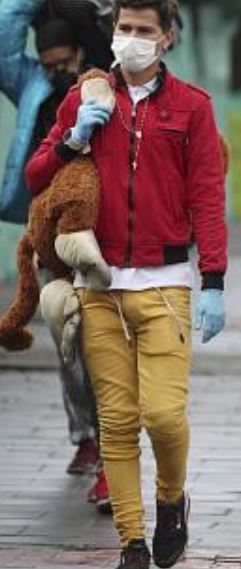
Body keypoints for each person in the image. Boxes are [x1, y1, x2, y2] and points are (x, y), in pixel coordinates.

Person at [24, 0, 228, 567]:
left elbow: (208, 196)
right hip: (99, 281)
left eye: (143, 30)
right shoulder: (84, 98)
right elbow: (37, 175)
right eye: (123, 28)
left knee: (163, 416)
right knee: (115, 422)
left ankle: (170, 500)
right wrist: (72, 139)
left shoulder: (192, 107)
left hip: (165, 282)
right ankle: (132, 542)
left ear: (165, 39)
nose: (130, 39)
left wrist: (213, 277)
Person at [0, 0, 113, 511]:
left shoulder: (102, 83)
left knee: (105, 345)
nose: (55, 70)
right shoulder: (32, 84)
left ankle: (113, 448)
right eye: (47, 64)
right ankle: (85, 435)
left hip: (102, 238)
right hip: (48, 233)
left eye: (63, 61)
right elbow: (4, 32)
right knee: (68, 343)